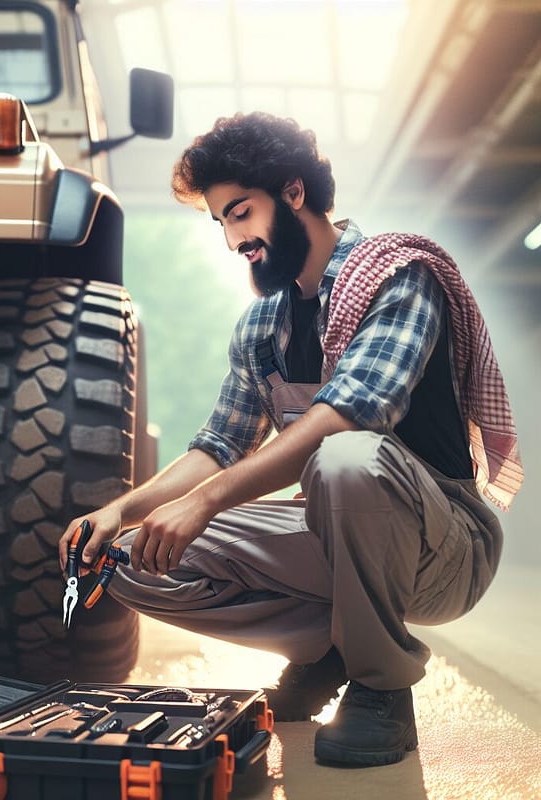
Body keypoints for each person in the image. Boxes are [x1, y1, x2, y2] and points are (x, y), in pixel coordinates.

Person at [58, 112, 523, 767]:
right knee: (128, 558)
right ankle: (328, 651)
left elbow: (349, 413)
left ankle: (381, 689)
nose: (232, 239)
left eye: (240, 213)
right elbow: (218, 445)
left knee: (347, 457)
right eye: (220, 222)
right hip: (339, 534)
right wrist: (119, 510)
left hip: (447, 548)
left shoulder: (399, 275)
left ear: (294, 192)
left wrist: (208, 502)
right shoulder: (262, 330)